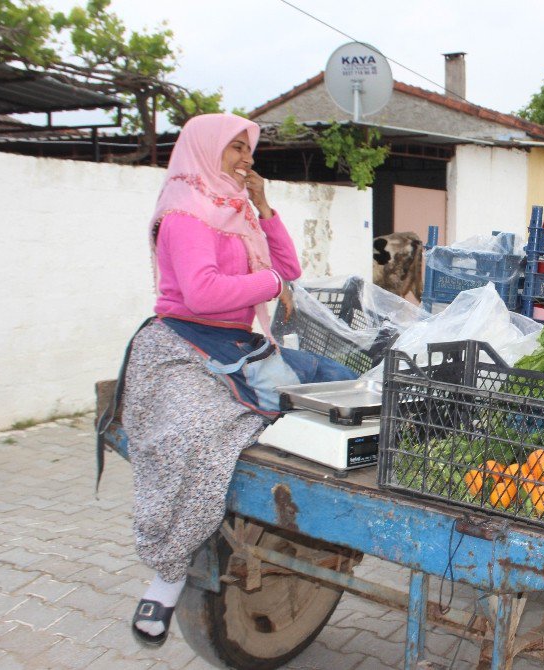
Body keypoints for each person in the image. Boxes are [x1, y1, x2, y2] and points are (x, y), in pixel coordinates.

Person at [107, 113, 356, 646]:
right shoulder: (184, 215)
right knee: (194, 434)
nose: (246, 158)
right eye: (235, 148)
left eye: (249, 148)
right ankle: (168, 574)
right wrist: (268, 283)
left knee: (345, 385)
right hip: (182, 345)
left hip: (241, 345)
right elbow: (201, 294)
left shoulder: (237, 210)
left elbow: (287, 269)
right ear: (204, 150)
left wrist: (265, 208)